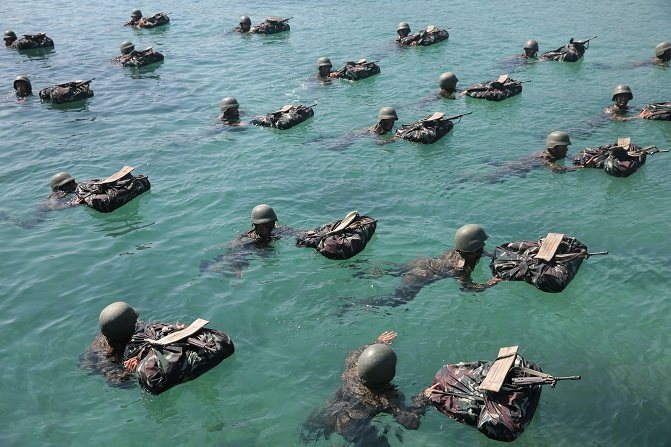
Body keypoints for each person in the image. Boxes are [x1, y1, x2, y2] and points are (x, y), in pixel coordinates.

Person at [301, 331, 427, 447]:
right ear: (391, 374)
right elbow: (410, 422)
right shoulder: (389, 397)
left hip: (330, 414)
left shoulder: (350, 370)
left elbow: (359, 354)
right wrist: (423, 399)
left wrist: (377, 342)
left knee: (306, 434)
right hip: (357, 430)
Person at [200, 204, 297, 277]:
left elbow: (297, 232)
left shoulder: (278, 230)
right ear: (255, 226)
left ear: (274, 223)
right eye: (261, 226)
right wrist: (239, 269)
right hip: (241, 248)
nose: (265, 229)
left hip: (259, 246)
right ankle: (208, 267)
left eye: (268, 225)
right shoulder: (249, 240)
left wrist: (304, 237)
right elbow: (239, 254)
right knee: (226, 264)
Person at [79, 301, 141, 386]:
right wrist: (132, 368)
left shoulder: (108, 333)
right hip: (109, 364)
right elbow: (120, 382)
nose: (137, 323)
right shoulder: (108, 357)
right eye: (134, 322)